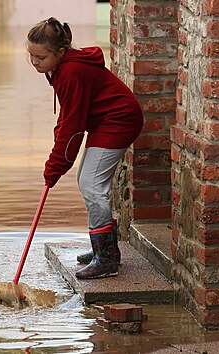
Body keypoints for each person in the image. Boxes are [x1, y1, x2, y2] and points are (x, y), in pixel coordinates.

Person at [26, 17, 144, 279]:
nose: (35, 62)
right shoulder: (59, 68)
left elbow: (73, 127)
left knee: (92, 184)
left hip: (118, 120)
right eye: (30, 55)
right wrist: (59, 155)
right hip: (104, 121)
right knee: (86, 179)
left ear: (59, 52)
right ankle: (103, 248)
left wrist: (54, 166)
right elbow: (69, 118)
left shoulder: (71, 73)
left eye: (40, 57)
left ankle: (107, 260)